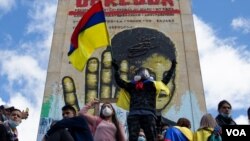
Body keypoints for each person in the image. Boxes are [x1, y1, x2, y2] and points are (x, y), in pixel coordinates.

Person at [112, 59, 176, 141]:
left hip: (146, 114)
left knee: (150, 137)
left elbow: (166, 80)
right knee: (135, 137)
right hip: (140, 114)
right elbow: (120, 82)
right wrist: (116, 70)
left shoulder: (152, 85)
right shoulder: (132, 85)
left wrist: (172, 67)